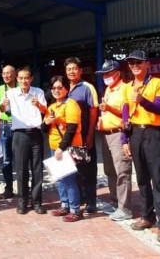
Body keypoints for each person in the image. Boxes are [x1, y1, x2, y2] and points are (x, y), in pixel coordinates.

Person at [121, 49, 160, 244]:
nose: (134, 66)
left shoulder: (158, 83)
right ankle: (147, 216)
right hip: (135, 133)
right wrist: (124, 140)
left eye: (138, 62)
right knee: (142, 178)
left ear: (147, 64)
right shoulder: (127, 87)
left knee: (159, 178)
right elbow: (125, 114)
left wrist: (142, 100)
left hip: (153, 133)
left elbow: (159, 108)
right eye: (131, 63)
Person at [4, 66, 48, 214]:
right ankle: (22, 202)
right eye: (21, 78)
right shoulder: (11, 93)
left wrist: (38, 105)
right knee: (21, 170)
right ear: (17, 79)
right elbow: (2, 109)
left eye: (26, 78)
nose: (24, 81)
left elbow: (45, 111)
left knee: (37, 170)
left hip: (36, 133)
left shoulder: (38, 92)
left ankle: (37, 202)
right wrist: (3, 105)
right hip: (19, 135)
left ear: (31, 79)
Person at [96, 59, 136, 221]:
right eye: (104, 74)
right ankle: (115, 202)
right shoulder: (108, 90)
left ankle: (125, 208)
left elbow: (129, 113)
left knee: (122, 172)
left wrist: (110, 109)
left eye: (108, 73)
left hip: (119, 134)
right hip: (106, 134)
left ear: (118, 73)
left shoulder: (126, 88)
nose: (105, 76)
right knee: (110, 171)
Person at [44, 75, 84, 222]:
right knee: (60, 179)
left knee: (69, 180)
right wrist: (47, 122)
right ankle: (64, 205)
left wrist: (61, 148)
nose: (56, 90)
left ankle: (75, 210)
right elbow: (44, 128)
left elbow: (71, 129)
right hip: (54, 147)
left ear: (66, 89)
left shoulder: (71, 104)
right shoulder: (52, 107)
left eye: (60, 87)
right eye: (53, 88)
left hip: (66, 148)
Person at [63, 57, 99, 214]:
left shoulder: (87, 87)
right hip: (70, 137)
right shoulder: (65, 88)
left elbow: (93, 112)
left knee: (88, 169)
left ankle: (91, 202)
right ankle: (80, 198)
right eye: (68, 69)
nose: (71, 71)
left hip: (84, 135)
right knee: (74, 169)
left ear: (80, 70)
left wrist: (90, 134)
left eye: (74, 68)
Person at [0, 65, 17, 199]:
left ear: (14, 74)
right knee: (6, 160)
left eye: (9, 73)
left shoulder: (21, 87)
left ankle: (24, 188)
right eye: (4, 73)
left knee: (21, 158)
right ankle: (9, 188)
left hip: (19, 126)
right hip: (4, 125)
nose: (6, 76)